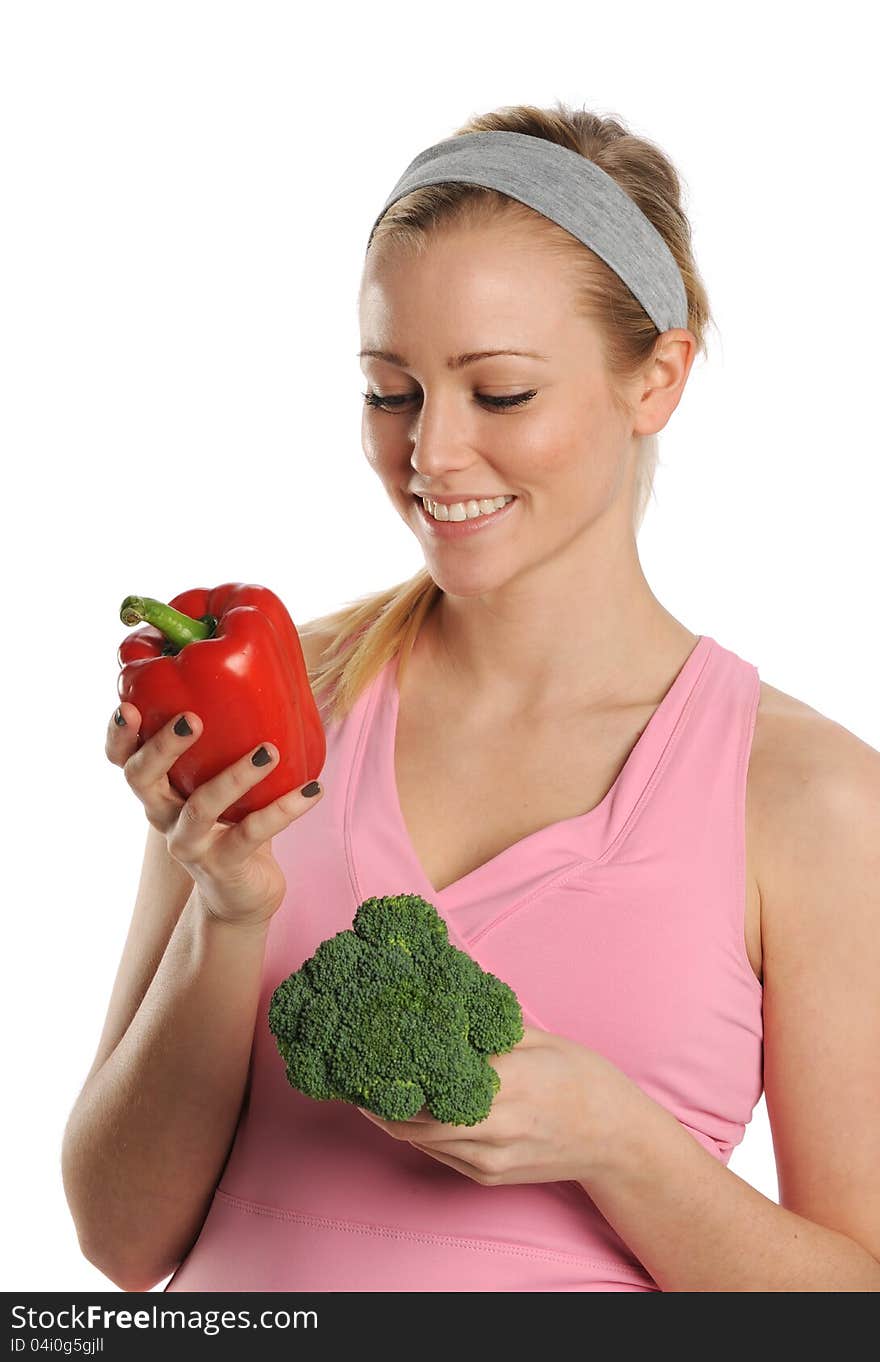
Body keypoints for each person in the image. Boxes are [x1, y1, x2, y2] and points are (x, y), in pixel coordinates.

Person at [62, 101, 880, 1293]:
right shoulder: (282, 705)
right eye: (389, 391)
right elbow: (121, 1244)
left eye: (498, 395)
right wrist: (226, 912)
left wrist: (616, 1141)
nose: (430, 454)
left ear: (656, 377)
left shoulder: (811, 800)